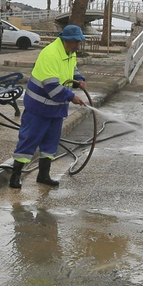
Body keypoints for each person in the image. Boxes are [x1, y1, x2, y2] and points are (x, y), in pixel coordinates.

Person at [10, 24, 87, 189]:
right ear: (67, 40)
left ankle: (43, 175)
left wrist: (79, 79)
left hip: (56, 108)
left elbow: (72, 69)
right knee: (29, 140)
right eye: (76, 42)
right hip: (38, 107)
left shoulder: (69, 52)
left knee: (51, 143)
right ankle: (15, 176)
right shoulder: (51, 55)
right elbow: (52, 87)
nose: (78, 46)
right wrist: (72, 97)